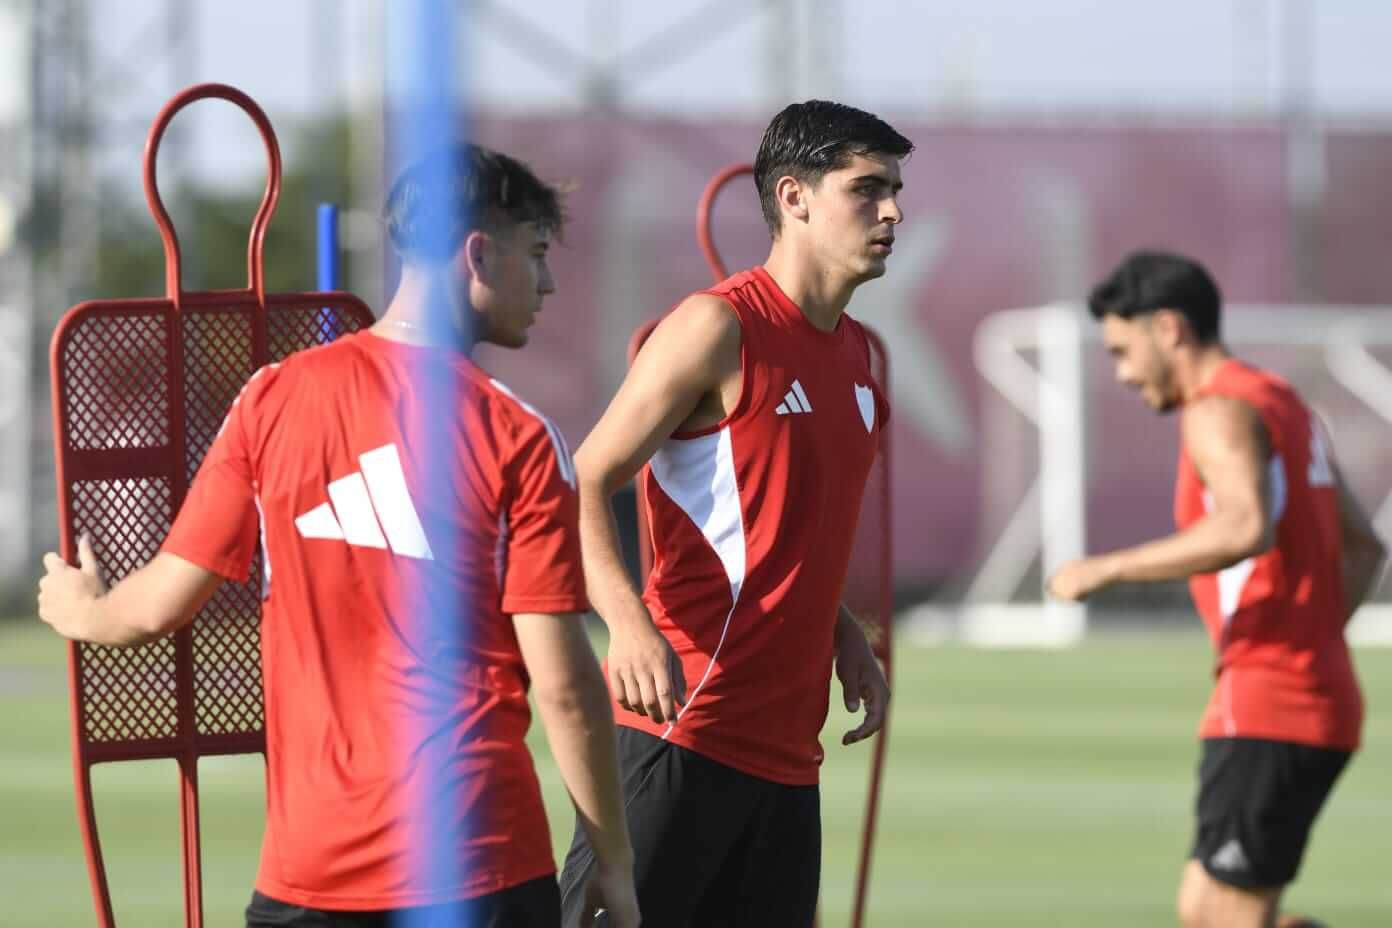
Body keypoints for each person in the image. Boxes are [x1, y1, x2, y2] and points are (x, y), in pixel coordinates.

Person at [38, 143, 639, 928]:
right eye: (536, 254)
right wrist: (614, 861)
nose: (550, 282)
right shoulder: (516, 434)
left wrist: (83, 610)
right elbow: (564, 687)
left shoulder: (270, 398)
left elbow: (156, 605)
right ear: (478, 253)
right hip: (478, 865)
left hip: (307, 875)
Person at [557, 100, 908, 927]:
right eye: (867, 189)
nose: (892, 211)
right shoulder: (718, 326)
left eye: (895, 190)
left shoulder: (858, 355)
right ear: (793, 197)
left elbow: (787, 530)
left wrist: (844, 633)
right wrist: (626, 621)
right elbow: (581, 480)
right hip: (682, 732)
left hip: (791, 762)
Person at [1048, 250, 1384, 928]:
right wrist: (1312, 639)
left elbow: (1245, 525)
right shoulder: (1282, 401)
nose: (1122, 373)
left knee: (1223, 915)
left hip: (1273, 701)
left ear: (1168, 328)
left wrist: (1104, 569)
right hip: (1304, 693)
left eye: (1123, 350)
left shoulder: (1218, 409)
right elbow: (1366, 545)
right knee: (1211, 911)